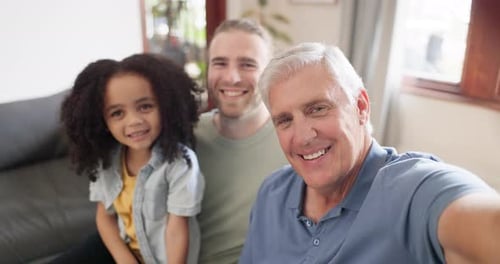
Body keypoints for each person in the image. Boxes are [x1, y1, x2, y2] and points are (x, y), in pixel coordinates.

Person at [240, 42, 500, 263]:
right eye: (285, 120)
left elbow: (484, 220)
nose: (303, 136)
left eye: (317, 109)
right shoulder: (272, 193)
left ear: (361, 107)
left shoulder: (414, 191)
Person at [58, 54, 204, 264]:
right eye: (117, 113)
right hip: (119, 252)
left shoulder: (181, 163)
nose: (134, 121)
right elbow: (105, 217)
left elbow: (176, 231)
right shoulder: (107, 159)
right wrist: (124, 259)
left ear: (166, 106)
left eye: (145, 106)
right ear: (102, 121)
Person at [195, 19, 288, 264]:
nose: (232, 77)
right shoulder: (185, 137)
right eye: (220, 63)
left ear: (269, 72)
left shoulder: (292, 142)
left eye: (247, 64)